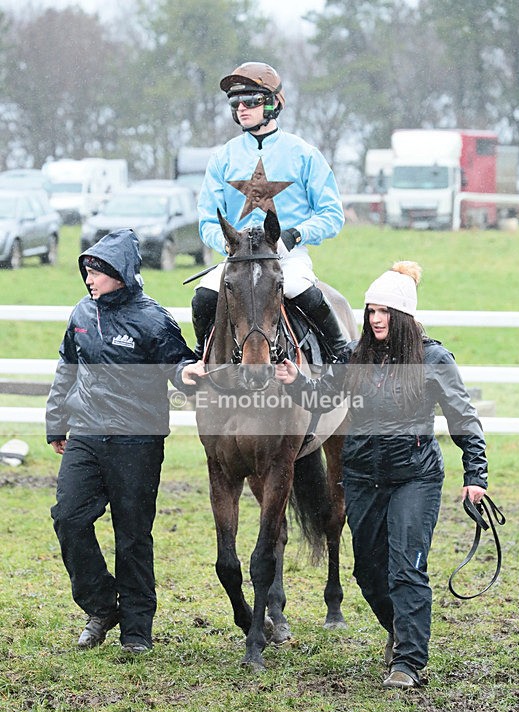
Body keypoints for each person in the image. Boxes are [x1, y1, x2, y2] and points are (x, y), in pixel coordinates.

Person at [276, 261, 488, 688]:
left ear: (403, 316)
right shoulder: (356, 356)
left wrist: (475, 475)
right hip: (362, 476)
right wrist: (297, 381)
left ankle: (408, 662)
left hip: (416, 478)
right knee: (368, 572)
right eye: (371, 311)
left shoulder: (432, 358)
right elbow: (324, 397)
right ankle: (399, 629)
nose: (374, 319)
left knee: (405, 568)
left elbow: (463, 417)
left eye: (384, 312)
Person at [46, 228, 197, 655]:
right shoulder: (81, 313)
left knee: (132, 535)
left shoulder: (152, 318)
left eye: (97, 270)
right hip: (87, 434)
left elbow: (179, 364)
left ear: (121, 273)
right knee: (68, 518)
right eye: (87, 269)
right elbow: (66, 366)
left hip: (138, 441)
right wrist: (57, 422)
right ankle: (101, 605)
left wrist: (188, 374)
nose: (89, 278)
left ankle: (136, 631)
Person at [192, 60, 348, 361]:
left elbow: (332, 214)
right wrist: (226, 243)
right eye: (235, 102)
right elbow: (207, 219)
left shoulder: (305, 155)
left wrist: (296, 235)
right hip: (237, 258)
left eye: (251, 101)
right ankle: (200, 359)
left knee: (303, 291)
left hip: (286, 257)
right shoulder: (222, 158)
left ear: (274, 103)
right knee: (203, 297)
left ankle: (341, 354)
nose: (241, 108)